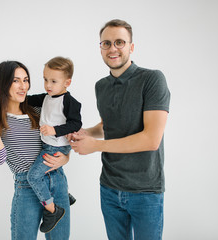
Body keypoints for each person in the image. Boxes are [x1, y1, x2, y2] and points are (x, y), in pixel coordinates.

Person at [69, 19, 171, 240]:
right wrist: (87, 133)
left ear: (131, 47)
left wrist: (95, 146)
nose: (112, 48)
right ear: (101, 48)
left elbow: (151, 139)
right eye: (106, 43)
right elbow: (110, 125)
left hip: (145, 191)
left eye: (119, 42)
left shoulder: (152, 79)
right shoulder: (101, 86)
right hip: (109, 187)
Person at [0, 61, 71, 240]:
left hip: (57, 181)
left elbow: (60, 139)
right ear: (4, 84)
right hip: (27, 188)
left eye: (26, 80)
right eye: (16, 81)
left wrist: (65, 159)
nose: (24, 86)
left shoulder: (39, 110)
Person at [27, 56, 82, 233]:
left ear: (67, 82)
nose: (48, 85)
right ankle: (65, 195)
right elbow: (27, 100)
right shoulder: (46, 97)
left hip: (57, 146)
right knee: (51, 170)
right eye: (45, 79)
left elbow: (76, 124)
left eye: (53, 81)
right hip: (47, 145)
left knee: (33, 176)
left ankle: (53, 210)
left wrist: (55, 130)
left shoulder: (69, 102)